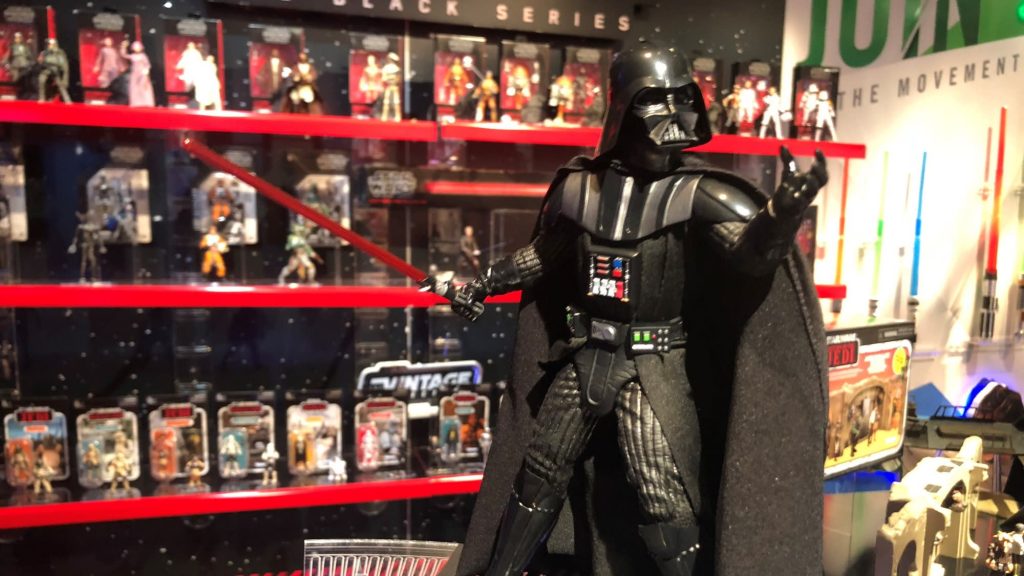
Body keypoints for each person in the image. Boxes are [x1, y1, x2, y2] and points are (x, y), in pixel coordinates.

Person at [425, 42, 828, 576]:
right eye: (656, 99)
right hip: (585, 354)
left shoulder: (697, 193)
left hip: (653, 368)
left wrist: (781, 214)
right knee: (539, 474)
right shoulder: (579, 189)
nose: (673, 112)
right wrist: (481, 285)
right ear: (624, 107)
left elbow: (749, 257)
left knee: (663, 495)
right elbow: (541, 257)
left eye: (683, 97)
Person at [120, 40, 154, 107]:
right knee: (135, 87)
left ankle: (146, 102)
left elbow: (148, 65)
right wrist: (123, 47)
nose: (137, 49)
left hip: (142, 73)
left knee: (143, 87)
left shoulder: (143, 56)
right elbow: (124, 55)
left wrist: (145, 72)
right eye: (135, 48)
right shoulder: (133, 56)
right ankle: (136, 102)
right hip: (135, 73)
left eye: (138, 48)